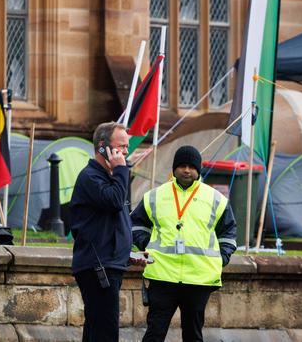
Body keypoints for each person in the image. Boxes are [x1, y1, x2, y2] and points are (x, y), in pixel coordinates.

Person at [131, 145, 237, 342]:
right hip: (162, 276)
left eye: (191, 166)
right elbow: (135, 224)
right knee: (154, 333)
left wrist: (223, 257)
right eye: (182, 166)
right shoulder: (155, 196)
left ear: (198, 170)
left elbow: (228, 232)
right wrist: (146, 243)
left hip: (198, 279)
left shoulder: (215, 199)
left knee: (193, 336)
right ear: (174, 169)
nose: (186, 170)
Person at [70, 121, 146, 342]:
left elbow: (113, 223)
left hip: (109, 263)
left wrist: (128, 255)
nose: (125, 152)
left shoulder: (113, 179)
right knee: (105, 333)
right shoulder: (91, 177)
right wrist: (121, 169)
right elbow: (113, 201)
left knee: (96, 331)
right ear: (103, 146)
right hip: (97, 267)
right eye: (121, 147)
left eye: (126, 147)